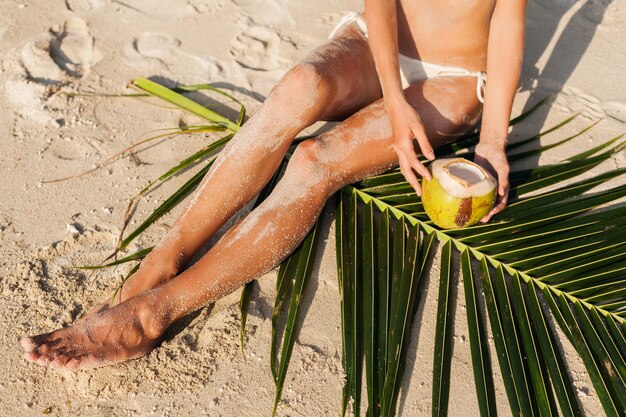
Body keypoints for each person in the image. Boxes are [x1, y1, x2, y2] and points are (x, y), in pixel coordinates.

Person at [22, 0, 524, 370]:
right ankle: (164, 257)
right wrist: (393, 99)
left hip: (456, 76)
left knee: (315, 160)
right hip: (377, 41)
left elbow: (506, 21)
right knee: (298, 87)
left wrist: (494, 141)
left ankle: (157, 310)